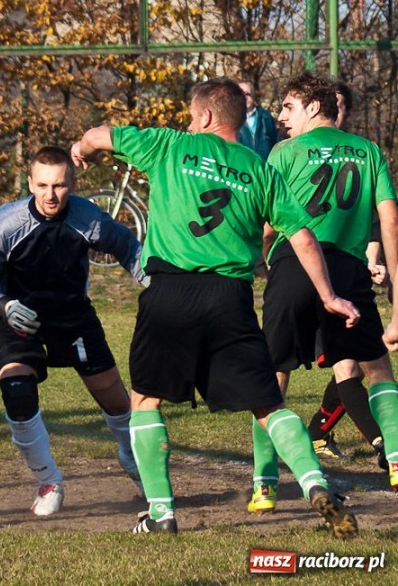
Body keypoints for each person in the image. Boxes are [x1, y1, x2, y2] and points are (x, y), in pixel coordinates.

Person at [71, 77, 360, 539]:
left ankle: (161, 512)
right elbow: (303, 237)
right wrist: (329, 296)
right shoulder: (261, 169)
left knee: (146, 400)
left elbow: (101, 134)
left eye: (191, 114)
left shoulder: (168, 145)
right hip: (230, 298)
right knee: (268, 404)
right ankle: (314, 483)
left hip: (170, 292)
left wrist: (83, 149)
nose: (188, 121)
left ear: (204, 117)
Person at [0, 146, 147, 516]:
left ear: (72, 185)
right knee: (16, 391)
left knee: (114, 400)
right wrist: (3, 305)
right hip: (16, 317)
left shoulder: (87, 217)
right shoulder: (6, 223)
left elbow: (127, 246)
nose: (50, 195)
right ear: (30, 183)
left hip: (71, 316)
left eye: (60, 186)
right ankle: (49, 480)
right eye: (43, 185)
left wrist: (151, 283)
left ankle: (131, 458)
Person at [255, 71, 398, 511]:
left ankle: (263, 484)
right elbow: (390, 221)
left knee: (273, 375)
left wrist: (260, 257)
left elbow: (265, 222)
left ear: (314, 107)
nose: (281, 117)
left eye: (288, 107)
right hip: (349, 272)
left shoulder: (283, 152)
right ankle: (396, 457)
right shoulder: (370, 151)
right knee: (377, 369)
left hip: (295, 266)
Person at [305, 80, 386, 469]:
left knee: (355, 361)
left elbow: (373, 220)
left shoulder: (362, 155)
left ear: (343, 112)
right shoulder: (296, 153)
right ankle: (384, 445)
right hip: (311, 272)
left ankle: (316, 434)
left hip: (350, 270)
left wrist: (374, 261)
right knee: (350, 366)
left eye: (335, 105)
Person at [237, 81, 279, 160]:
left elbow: (275, 143)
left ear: (253, 96)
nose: (244, 97)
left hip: (264, 167)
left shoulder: (266, 117)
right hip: (241, 167)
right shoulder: (232, 118)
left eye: (247, 94)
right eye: (241, 94)